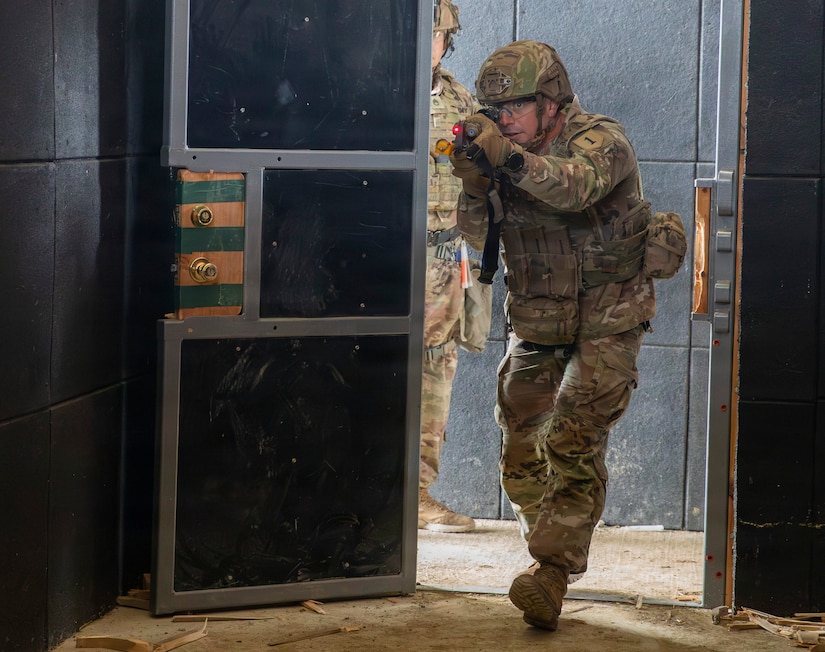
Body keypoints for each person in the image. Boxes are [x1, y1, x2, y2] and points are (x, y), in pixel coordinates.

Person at [450, 40, 657, 629]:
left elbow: (574, 188)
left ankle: (552, 573)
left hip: (608, 316)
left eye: (514, 107)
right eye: (495, 112)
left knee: (571, 435)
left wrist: (508, 162)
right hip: (540, 315)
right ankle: (549, 548)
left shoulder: (601, 140)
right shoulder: (506, 149)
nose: (504, 120)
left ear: (550, 100)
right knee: (520, 446)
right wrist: (473, 181)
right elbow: (474, 232)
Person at [418, 0, 491, 533]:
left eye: (438, 34)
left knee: (435, 369)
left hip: (442, 253)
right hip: (377, 249)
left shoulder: (459, 97)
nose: (431, 42)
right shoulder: (372, 93)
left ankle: (415, 493)